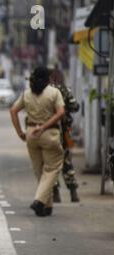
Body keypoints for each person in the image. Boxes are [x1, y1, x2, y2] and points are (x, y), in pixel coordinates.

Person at [10, 66, 66, 217]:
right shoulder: (54, 92)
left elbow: (13, 111)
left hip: (31, 134)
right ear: (48, 78)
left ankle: (46, 207)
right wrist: (43, 127)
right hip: (50, 134)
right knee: (52, 169)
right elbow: (61, 112)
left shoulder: (27, 94)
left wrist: (20, 132)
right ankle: (39, 201)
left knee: (39, 170)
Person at [49, 68, 80, 203]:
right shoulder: (65, 90)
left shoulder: (46, 92)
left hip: (49, 131)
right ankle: (73, 192)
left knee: (51, 163)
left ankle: (55, 193)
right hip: (64, 130)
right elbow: (75, 106)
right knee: (66, 161)